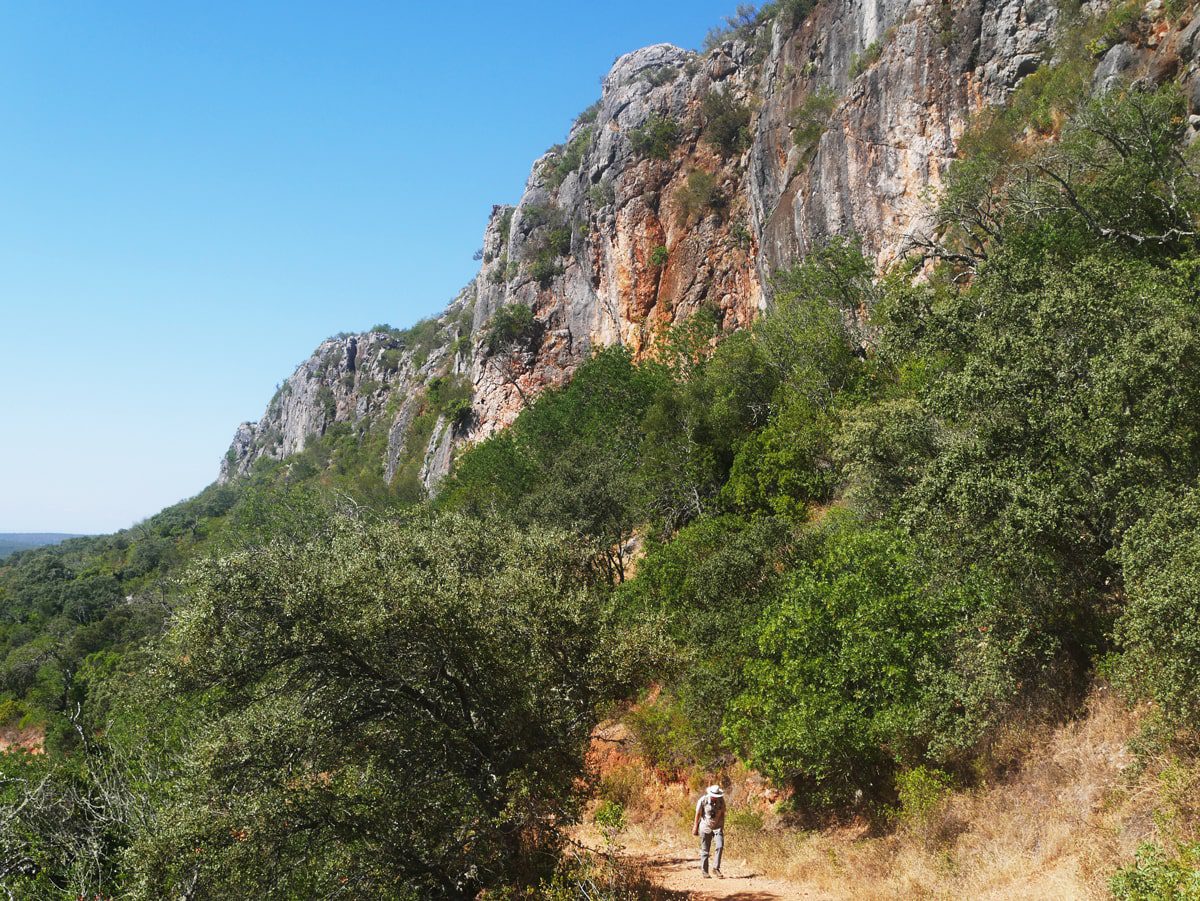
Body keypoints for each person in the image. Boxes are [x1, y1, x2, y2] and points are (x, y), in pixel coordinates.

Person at [692, 784, 726, 878]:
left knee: (720, 846)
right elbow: (698, 814)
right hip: (705, 827)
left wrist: (722, 826)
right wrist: (695, 827)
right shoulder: (703, 800)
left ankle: (716, 868)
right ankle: (705, 871)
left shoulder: (721, 801)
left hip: (717, 827)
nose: (715, 797)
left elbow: (723, 813)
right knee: (705, 850)